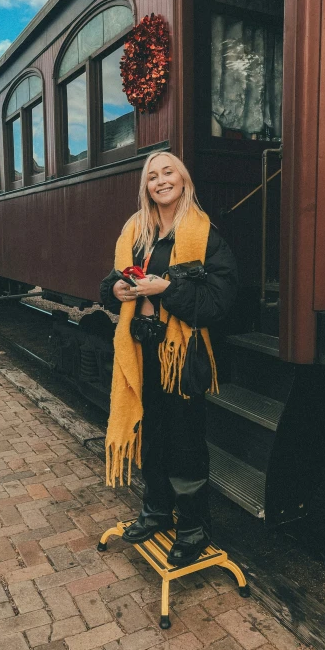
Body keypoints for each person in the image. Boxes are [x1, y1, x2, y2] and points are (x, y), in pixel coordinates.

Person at [100, 151, 238, 566]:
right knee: (152, 433)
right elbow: (111, 282)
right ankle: (156, 512)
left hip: (181, 355)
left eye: (169, 173)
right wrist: (117, 292)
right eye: (153, 176)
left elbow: (219, 302)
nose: (161, 181)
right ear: (146, 186)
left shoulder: (204, 233)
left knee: (185, 440)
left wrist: (165, 291)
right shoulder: (136, 232)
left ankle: (193, 528)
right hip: (142, 347)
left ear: (183, 179)